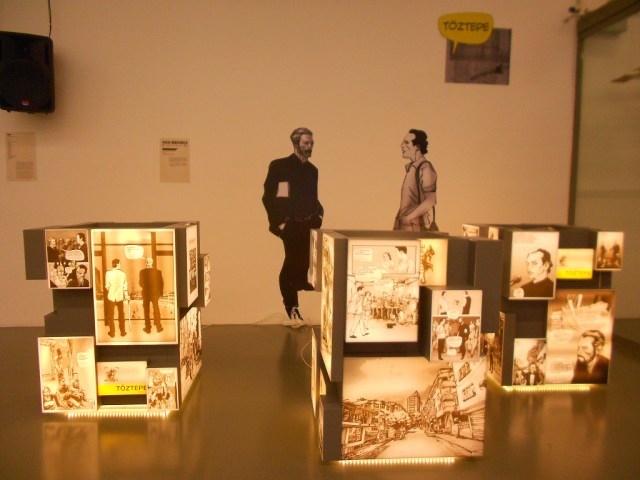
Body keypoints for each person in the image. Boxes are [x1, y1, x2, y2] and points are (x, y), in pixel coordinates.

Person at [262, 127, 323, 327]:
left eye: (311, 143)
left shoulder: (313, 170)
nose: (309, 146)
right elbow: (270, 197)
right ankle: (292, 308)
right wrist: (279, 223)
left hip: (309, 224)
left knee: (303, 262)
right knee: (290, 263)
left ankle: (299, 288)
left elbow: (313, 197)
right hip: (291, 224)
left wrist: (319, 214)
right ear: (296, 144)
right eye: (306, 143)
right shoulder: (280, 166)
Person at [393, 129, 438, 231]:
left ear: (417, 146)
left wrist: (408, 218)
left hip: (414, 227)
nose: (402, 146)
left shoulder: (425, 168)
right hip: (405, 226)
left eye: (406, 142)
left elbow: (431, 200)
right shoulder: (412, 168)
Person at [139, 257, 164, 333]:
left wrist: (144, 286)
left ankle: (148, 328)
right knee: (156, 309)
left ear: (146, 263)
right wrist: (160, 293)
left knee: (146, 311)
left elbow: (140, 283)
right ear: (152, 262)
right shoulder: (158, 272)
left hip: (146, 293)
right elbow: (161, 283)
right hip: (155, 293)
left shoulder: (142, 272)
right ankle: (158, 326)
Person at [105, 258, 129, 337]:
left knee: (111, 316)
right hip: (120, 297)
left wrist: (111, 290)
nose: (120, 265)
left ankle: (112, 332)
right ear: (118, 264)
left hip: (111, 296)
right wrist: (126, 295)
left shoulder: (108, 273)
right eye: (120, 263)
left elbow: (107, 285)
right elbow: (125, 286)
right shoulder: (123, 274)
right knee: (121, 315)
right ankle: (122, 332)